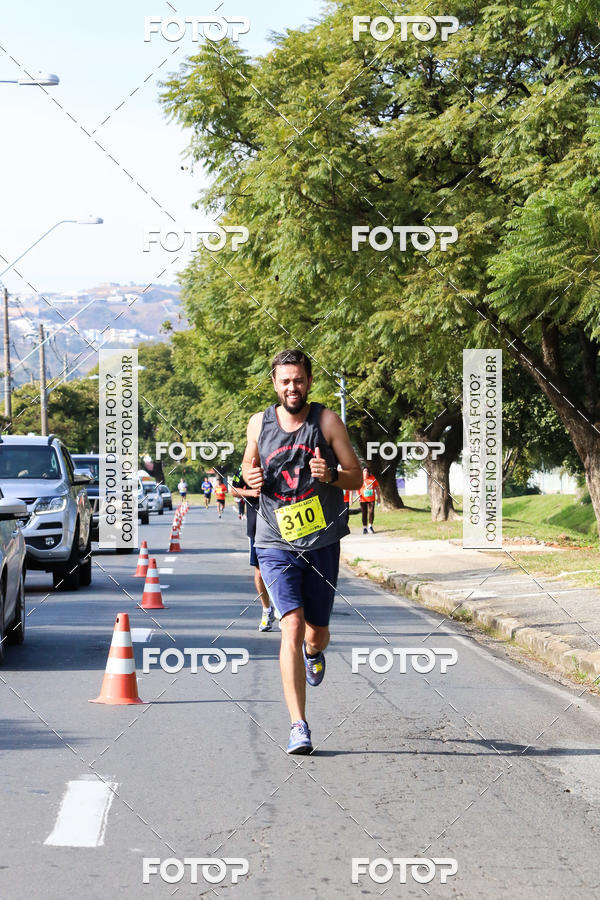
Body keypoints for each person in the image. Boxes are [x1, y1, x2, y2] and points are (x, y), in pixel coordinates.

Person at [242, 348, 362, 754]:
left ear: (309, 382)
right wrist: (250, 474)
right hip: (275, 539)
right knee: (290, 623)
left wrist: (331, 474)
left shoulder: (326, 421)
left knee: (317, 632)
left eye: (298, 380)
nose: (291, 387)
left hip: (321, 540)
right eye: (284, 380)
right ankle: (299, 725)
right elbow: (247, 465)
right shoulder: (259, 423)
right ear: (274, 384)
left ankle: (314, 653)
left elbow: (356, 476)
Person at [231, 465, 275, 632]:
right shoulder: (246, 467)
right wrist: (250, 493)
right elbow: (233, 490)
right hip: (256, 526)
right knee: (259, 571)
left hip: (282, 526)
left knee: (285, 569)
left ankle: (284, 607)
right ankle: (266, 610)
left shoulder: (280, 459)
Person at [358, 466, 381, 534]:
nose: (366, 472)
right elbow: (357, 488)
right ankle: (364, 527)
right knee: (364, 513)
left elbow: (377, 488)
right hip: (363, 499)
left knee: (371, 512)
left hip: (371, 499)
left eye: (367, 471)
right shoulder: (360, 479)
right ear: (362, 472)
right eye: (364, 471)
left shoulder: (372, 478)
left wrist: (378, 497)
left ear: (369, 472)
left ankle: (370, 526)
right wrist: (358, 496)